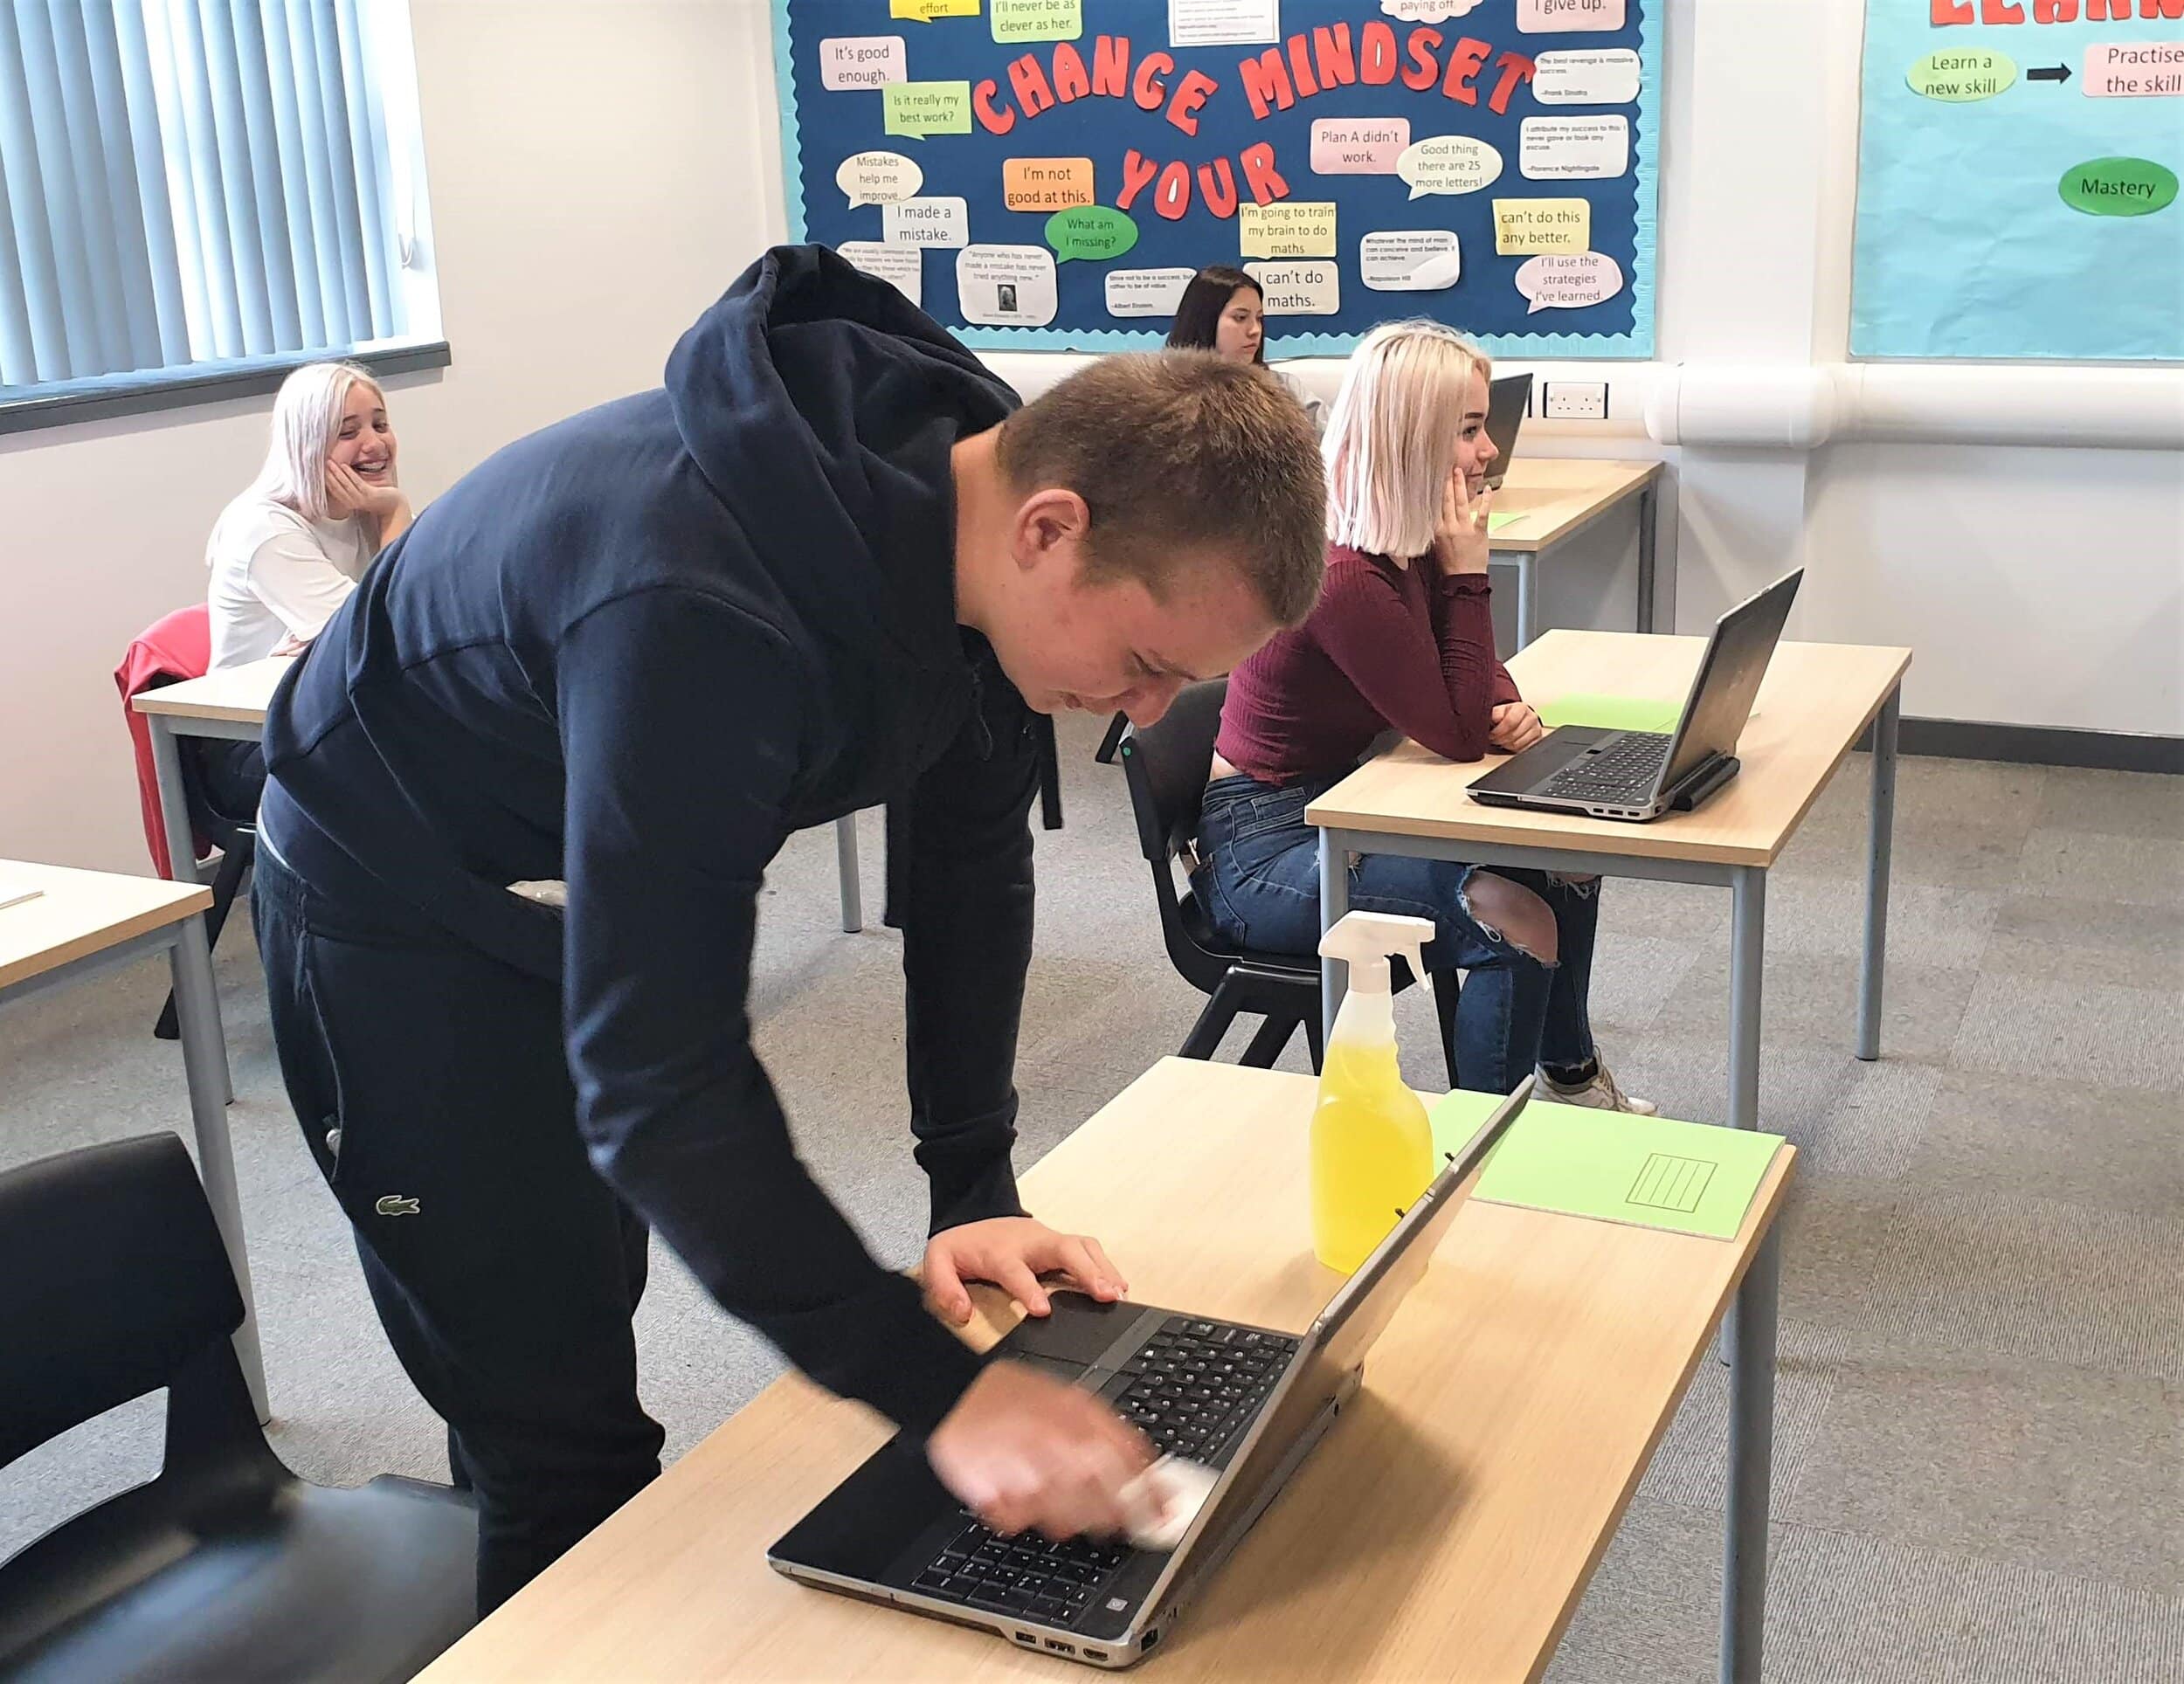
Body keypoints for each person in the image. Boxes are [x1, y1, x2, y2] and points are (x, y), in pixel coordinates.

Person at [251, 245, 1327, 1612]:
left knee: (569, 1309)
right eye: (1152, 664)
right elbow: (657, 1083)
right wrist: (943, 1399)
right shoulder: (697, 602)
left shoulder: (981, 511)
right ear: (1050, 529)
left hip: (572, 883)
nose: (1155, 711)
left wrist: (973, 1187)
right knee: (564, 1445)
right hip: (392, 919)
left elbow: (972, 862)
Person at [1194, 320, 1653, 1113]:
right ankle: (1480, 1152)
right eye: (1470, 431)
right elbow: (1452, 732)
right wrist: (1470, 577)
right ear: (1412, 438)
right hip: (1268, 848)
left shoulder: (1398, 538)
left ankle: (1570, 1083)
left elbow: (1464, 681)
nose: (1489, 453)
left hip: (1349, 799)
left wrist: (1500, 698)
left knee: (1569, 862)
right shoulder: (1341, 571)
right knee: (1515, 918)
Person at [198, 362, 412, 818]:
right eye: (347, 432)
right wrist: (396, 508)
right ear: (307, 442)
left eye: (380, 424)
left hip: (337, 713)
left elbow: (416, 617)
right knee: (429, 767)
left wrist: (386, 511)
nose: (374, 445)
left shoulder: (360, 507)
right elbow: (387, 636)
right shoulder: (264, 527)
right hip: (255, 741)